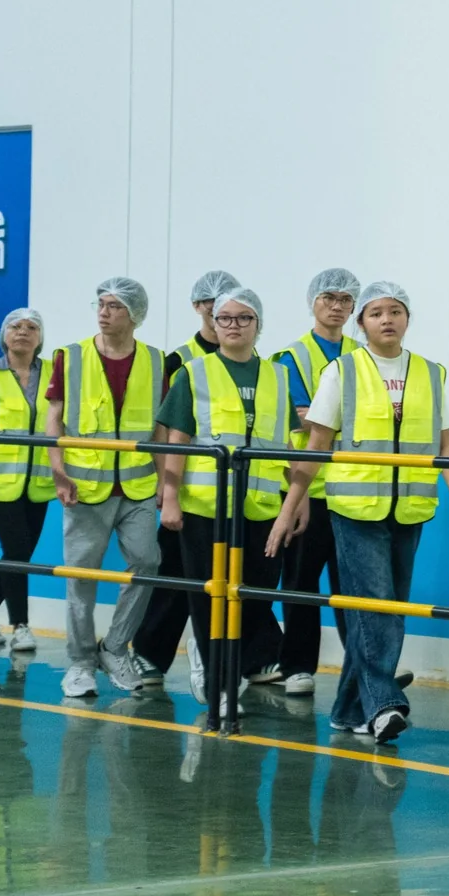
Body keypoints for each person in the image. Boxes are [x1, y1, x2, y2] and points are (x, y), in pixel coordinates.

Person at [274, 281, 449, 744]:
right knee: (375, 608)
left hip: (410, 510)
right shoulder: (341, 371)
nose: (387, 319)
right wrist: (290, 508)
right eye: (376, 312)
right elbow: (316, 445)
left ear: (407, 319)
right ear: (361, 323)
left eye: (395, 311)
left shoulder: (430, 373)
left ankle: (348, 710)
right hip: (355, 509)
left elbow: (444, 443)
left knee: (390, 610)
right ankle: (384, 704)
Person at [152, 287, 295, 710]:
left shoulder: (277, 376)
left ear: (258, 325)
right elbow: (177, 440)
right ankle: (220, 686)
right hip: (205, 507)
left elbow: (287, 443)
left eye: (244, 318)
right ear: (213, 324)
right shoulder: (194, 373)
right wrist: (170, 496)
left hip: (262, 507)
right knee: (208, 599)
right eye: (225, 318)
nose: (234, 325)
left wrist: (296, 499)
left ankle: (234, 669)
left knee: (255, 596)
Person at [44, 277, 165, 698]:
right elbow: (54, 417)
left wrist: (165, 483)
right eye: (101, 304)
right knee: (81, 577)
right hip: (84, 486)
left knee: (147, 563)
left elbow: (160, 428)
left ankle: (114, 647)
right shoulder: (71, 356)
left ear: (135, 314)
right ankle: (80, 663)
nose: (104, 312)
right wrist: (58, 471)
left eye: (114, 306)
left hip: (138, 485)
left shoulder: (156, 360)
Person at [130, 268, 240, 692]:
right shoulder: (178, 361)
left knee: (234, 576)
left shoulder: (249, 358)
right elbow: (163, 427)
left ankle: (247, 658)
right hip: (188, 486)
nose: (219, 310)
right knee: (176, 572)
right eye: (211, 303)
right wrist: (166, 485)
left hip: (236, 491)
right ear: (197, 307)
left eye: (227, 303)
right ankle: (150, 653)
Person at [273, 268, 363, 696]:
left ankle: (362, 666)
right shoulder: (291, 358)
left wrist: (322, 417)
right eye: (329, 297)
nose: (337, 306)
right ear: (313, 301)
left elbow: (357, 418)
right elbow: (296, 422)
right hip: (306, 487)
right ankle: (297, 666)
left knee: (353, 587)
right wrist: (299, 492)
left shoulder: (363, 355)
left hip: (354, 489)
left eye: (346, 299)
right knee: (300, 582)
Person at [0, 308, 57, 656]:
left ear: (40, 337)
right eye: (15, 326)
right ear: (4, 335)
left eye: (31, 327)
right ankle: (21, 626)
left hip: (39, 484)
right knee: (18, 552)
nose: (23, 331)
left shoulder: (56, 374)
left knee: (18, 554)